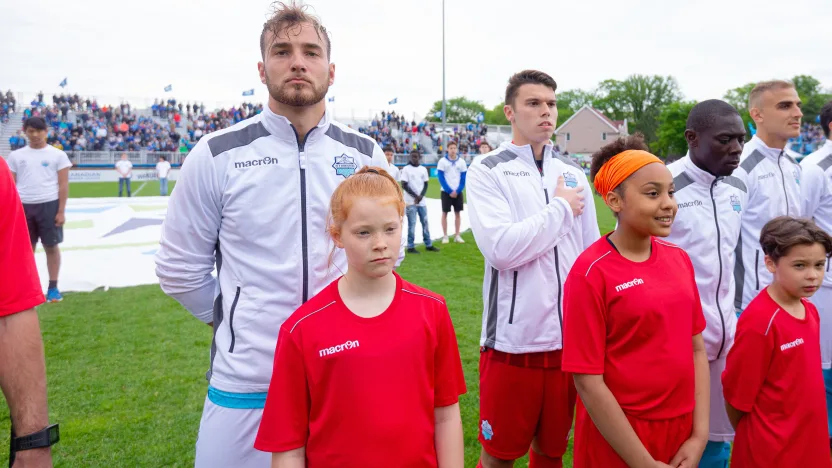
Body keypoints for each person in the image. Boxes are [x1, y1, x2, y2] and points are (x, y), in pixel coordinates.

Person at [154, 3, 393, 466]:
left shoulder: (365, 153)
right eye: (282, 51)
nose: (298, 61)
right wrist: (238, 322)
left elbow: (384, 258)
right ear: (262, 70)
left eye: (310, 51)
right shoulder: (217, 154)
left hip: (346, 374)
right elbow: (179, 270)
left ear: (331, 69)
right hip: (247, 379)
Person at [254, 167, 465, 467]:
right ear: (337, 236)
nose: (380, 243)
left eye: (390, 229)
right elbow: (289, 447)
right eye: (364, 232)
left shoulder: (432, 310)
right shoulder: (302, 329)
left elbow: (445, 415)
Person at [467, 70, 599, 468]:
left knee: (551, 453)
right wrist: (559, 209)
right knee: (499, 457)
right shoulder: (487, 170)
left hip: (567, 344)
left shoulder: (574, 176)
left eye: (551, 103)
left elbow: (590, 258)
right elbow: (502, 250)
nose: (546, 112)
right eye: (534, 103)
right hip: (513, 343)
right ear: (510, 112)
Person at [562, 135, 709, 468]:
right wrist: (641, 461)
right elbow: (587, 380)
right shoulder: (590, 272)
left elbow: (696, 347)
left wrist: (699, 435)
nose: (669, 203)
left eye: (670, 192)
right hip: (617, 436)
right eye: (652, 194)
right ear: (615, 200)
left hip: (681, 431)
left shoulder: (679, 259)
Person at [664, 100, 747, 468]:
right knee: (675, 438)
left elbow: (732, 256)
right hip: (677, 342)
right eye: (725, 139)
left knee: (717, 438)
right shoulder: (663, 187)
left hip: (726, 334)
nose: (736, 149)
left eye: (741, 140)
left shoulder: (738, 186)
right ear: (692, 138)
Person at [722, 217, 832, 468]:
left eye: (819, 265)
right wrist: (762, 436)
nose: (813, 276)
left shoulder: (810, 310)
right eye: (800, 266)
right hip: (770, 451)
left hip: (809, 440)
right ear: (770, 263)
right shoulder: (760, 322)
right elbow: (737, 399)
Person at [0, 156, 59, 468]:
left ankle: (54, 284)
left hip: (44, 209)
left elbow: (10, 308)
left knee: (50, 249)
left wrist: (34, 444)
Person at [733, 80, 804, 312]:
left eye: (797, 105)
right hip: (750, 302)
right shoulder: (739, 166)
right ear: (757, 115)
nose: (798, 113)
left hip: (791, 295)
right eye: (785, 106)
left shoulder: (793, 165)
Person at [7, 116, 72, 303]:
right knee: (25, 250)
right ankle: (27, 287)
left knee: (51, 247)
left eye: (38, 131)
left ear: (46, 131)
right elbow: (11, 186)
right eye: (31, 131)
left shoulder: (58, 155)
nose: (35, 135)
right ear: (25, 132)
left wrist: (61, 211)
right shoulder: (16, 156)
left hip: (49, 206)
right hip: (23, 207)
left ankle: (53, 287)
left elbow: (63, 185)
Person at [800, 100, 832, 444]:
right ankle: (821, 436)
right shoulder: (814, 168)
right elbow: (802, 224)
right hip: (825, 287)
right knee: (823, 366)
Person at [400, 150, 439, 254]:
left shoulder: (423, 169)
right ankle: (411, 246)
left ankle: (428, 244)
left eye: (416, 157)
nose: (414, 158)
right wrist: (415, 196)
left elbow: (426, 184)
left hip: (421, 202)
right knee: (412, 224)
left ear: (419, 157)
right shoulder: (406, 169)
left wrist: (421, 196)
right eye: (412, 156)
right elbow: (404, 184)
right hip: (410, 202)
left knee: (425, 223)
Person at [437, 141, 467, 244]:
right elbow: (440, 178)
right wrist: (449, 190)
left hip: (458, 192)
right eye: (451, 148)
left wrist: (458, 190)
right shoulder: (442, 162)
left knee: (457, 213)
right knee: (445, 213)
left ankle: (457, 235)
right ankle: (445, 236)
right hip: (446, 192)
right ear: (447, 149)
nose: (453, 150)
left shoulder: (462, 162)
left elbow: (463, 178)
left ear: (456, 149)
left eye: (454, 148)